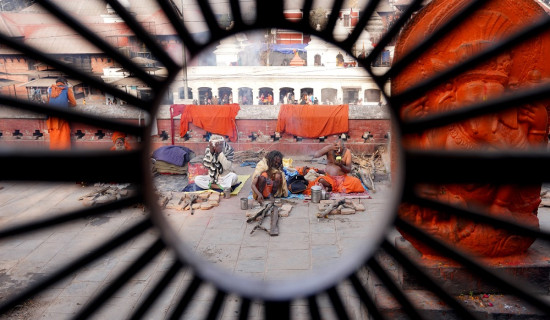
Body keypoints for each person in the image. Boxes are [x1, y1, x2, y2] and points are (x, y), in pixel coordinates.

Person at [46, 77, 76, 150]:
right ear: (65, 83)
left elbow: (48, 102)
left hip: (51, 118)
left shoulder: (50, 89)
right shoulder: (66, 89)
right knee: (63, 136)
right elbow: (74, 103)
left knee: (54, 136)